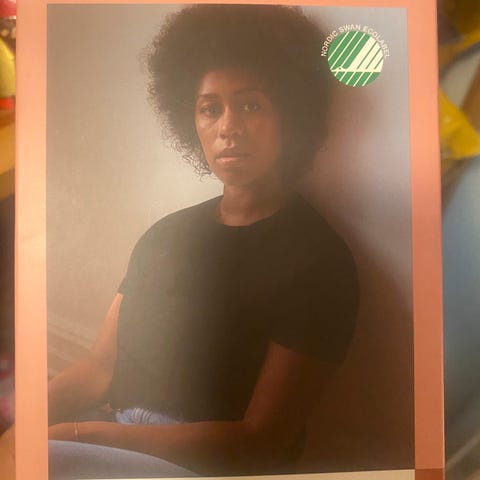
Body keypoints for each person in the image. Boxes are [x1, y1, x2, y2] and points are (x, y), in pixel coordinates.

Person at [47, 5, 359, 478]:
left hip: (203, 465)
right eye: (210, 109)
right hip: (110, 431)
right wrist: (23, 420)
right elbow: (96, 368)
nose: (227, 127)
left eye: (250, 105)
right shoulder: (166, 234)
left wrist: (79, 437)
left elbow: (260, 442)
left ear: (291, 116)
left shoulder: (319, 261)